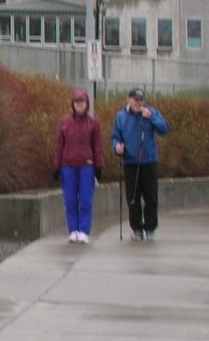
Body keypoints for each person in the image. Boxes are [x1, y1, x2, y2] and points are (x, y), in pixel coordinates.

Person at [111, 87, 170, 241]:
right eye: (135, 100)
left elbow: (164, 129)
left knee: (151, 197)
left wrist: (151, 118)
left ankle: (150, 228)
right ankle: (136, 228)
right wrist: (117, 147)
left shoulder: (151, 112)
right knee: (133, 197)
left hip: (149, 160)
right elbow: (115, 137)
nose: (138, 103)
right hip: (130, 161)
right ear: (128, 99)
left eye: (141, 100)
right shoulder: (121, 117)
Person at [54, 90, 105, 244]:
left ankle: (83, 230)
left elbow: (97, 146)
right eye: (77, 102)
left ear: (86, 104)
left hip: (86, 166)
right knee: (69, 200)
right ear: (73, 104)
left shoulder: (93, 124)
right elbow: (59, 147)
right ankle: (73, 230)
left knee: (85, 200)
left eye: (82, 102)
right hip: (68, 165)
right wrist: (57, 166)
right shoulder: (65, 124)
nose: (79, 105)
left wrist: (99, 165)